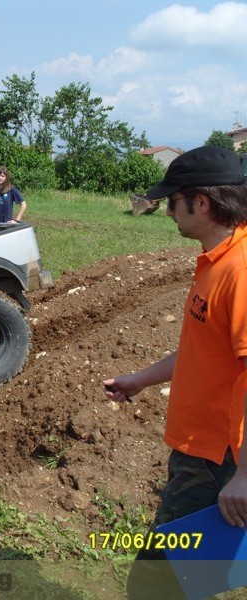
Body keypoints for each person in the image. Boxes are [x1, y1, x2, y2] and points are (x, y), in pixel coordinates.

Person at [103, 146, 247, 599]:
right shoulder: (216, 261)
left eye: (172, 201)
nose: (167, 211)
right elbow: (202, 351)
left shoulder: (240, 271)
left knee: (157, 583)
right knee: (194, 579)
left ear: (201, 203)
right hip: (201, 453)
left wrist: (245, 475)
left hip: (217, 460)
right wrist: (141, 379)